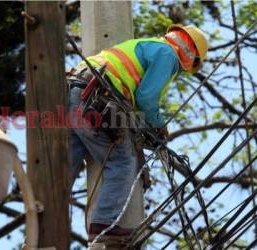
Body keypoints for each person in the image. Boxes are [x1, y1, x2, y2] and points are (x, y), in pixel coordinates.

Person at [68, 24, 208, 247]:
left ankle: (43, 226)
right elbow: (146, 98)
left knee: (66, 166)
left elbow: (136, 102)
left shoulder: (148, 46)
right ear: (191, 56)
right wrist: (159, 126)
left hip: (75, 92)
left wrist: (144, 128)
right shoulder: (168, 55)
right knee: (123, 162)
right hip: (96, 96)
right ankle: (104, 228)